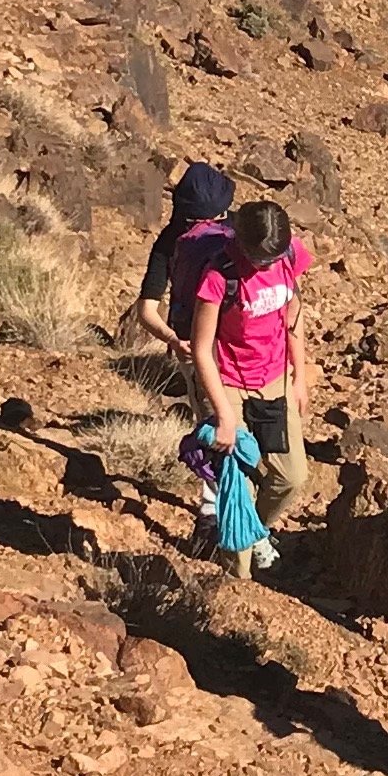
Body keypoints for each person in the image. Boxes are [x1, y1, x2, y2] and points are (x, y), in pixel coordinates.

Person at [183, 199, 315, 528]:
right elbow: (201, 349)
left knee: (292, 477)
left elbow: (293, 315)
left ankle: (256, 532)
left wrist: (300, 377)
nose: (267, 266)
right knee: (234, 481)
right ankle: (235, 564)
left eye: (273, 258)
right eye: (260, 259)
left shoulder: (290, 256)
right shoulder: (219, 275)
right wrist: (223, 416)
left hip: (275, 378)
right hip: (228, 380)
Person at [128, 164, 238, 360]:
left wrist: (174, 340)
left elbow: (147, 309)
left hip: (191, 336)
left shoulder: (171, 237)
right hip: (239, 337)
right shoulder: (239, 225)